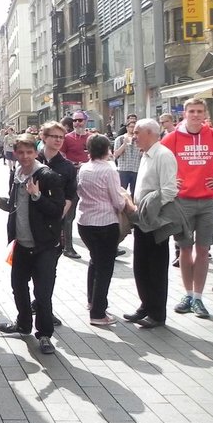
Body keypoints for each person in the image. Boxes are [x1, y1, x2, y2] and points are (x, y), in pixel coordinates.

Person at [0, 134, 66, 354]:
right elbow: (14, 206)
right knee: (18, 287)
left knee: (42, 293)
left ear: (36, 153)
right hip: (20, 244)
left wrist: (38, 196)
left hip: (44, 245)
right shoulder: (17, 175)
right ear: (15, 154)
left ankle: (45, 334)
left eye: (29, 152)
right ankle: (23, 324)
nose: (25, 156)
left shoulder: (48, 176)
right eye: (21, 152)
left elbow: (57, 211)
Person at [162, 97, 213, 318]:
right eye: (192, 111)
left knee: (203, 250)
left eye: (199, 111)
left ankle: (198, 297)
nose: (196, 115)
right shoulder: (172, 138)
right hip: (182, 201)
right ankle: (187, 294)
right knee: (185, 249)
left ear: (205, 114)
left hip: (207, 201)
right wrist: (169, 182)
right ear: (184, 114)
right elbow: (155, 161)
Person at [124, 118, 182, 328]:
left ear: (150, 133)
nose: (134, 136)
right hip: (141, 218)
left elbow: (169, 190)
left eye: (138, 132)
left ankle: (157, 313)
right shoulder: (147, 154)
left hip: (154, 219)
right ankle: (146, 305)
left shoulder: (163, 155)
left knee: (155, 267)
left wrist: (148, 209)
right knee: (141, 265)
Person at [77, 134, 133, 326]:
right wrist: (126, 199)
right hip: (105, 223)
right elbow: (117, 202)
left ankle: (92, 301)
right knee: (105, 268)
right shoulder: (109, 170)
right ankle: (98, 313)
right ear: (107, 149)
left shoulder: (84, 168)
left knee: (94, 261)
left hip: (85, 222)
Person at [33, 121, 77, 327]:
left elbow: (70, 196)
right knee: (32, 270)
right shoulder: (32, 160)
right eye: (54, 137)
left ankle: (45, 308)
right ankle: (38, 303)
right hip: (31, 226)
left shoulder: (66, 167)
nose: (59, 141)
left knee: (49, 270)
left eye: (61, 137)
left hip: (53, 226)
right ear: (44, 137)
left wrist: (58, 216)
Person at [59, 111, 91, 258]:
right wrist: (72, 164)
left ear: (86, 121)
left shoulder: (92, 138)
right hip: (72, 179)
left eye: (80, 120)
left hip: (90, 178)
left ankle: (105, 246)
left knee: (97, 211)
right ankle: (68, 247)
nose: (77, 123)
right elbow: (61, 155)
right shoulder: (67, 138)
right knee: (69, 215)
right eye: (75, 121)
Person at [112, 118, 141, 195]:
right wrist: (124, 144)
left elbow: (142, 154)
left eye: (134, 127)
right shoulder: (120, 139)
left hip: (136, 169)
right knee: (121, 192)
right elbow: (115, 154)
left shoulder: (140, 139)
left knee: (135, 193)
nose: (133, 129)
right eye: (131, 127)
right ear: (127, 128)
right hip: (123, 169)